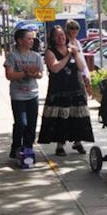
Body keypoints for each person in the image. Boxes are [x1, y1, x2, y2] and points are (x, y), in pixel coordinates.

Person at [37, 25, 94, 156]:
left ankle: (78, 142)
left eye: (62, 35)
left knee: (78, 116)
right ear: (52, 38)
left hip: (76, 87)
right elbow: (55, 68)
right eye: (57, 35)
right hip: (59, 89)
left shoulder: (73, 48)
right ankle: (60, 145)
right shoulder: (50, 52)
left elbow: (81, 66)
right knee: (61, 117)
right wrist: (68, 55)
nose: (61, 37)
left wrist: (76, 53)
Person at [4, 28, 44, 160]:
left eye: (32, 38)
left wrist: (34, 73)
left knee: (31, 124)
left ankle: (28, 148)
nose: (32, 41)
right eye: (29, 38)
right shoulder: (13, 56)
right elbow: (9, 75)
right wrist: (25, 73)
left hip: (33, 94)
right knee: (21, 123)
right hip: (18, 95)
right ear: (20, 40)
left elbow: (40, 74)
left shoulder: (36, 56)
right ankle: (16, 146)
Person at [64, 19, 92, 101]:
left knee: (84, 95)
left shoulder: (77, 42)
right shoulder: (65, 42)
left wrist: (86, 73)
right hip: (71, 72)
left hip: (82, 71)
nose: (74, 30)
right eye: (72, 28)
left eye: (76, 28)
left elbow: (82, 58)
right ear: (67, 29)